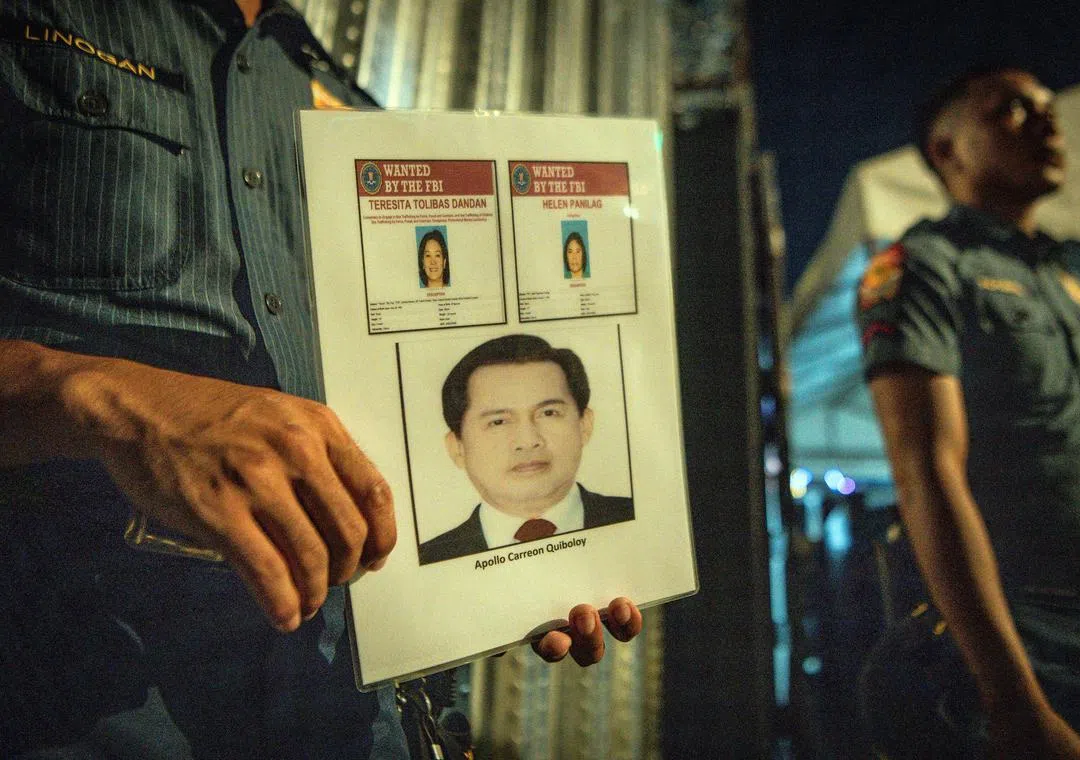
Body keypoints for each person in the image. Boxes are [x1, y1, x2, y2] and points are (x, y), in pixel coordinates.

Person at [0, 2, 642, 757]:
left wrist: (504, 577)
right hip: (81, 709)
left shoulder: (345, 106)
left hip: (353, 718)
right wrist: (108, 402)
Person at [857, 65, 1080, 759]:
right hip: (1022, 637)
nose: (1048, 123)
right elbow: (925, 469)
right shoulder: (923, 266)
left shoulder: (1077, 285)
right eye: (1010, 112)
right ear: (947, 151)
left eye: (1048, 108)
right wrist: (1010, 695)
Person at [419, 334, 634, 563]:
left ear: (585, 425)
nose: (528, 440)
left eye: (548, 413)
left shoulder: (644, 520)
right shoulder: (432, 559)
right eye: (498, 421)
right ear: (457, 448)